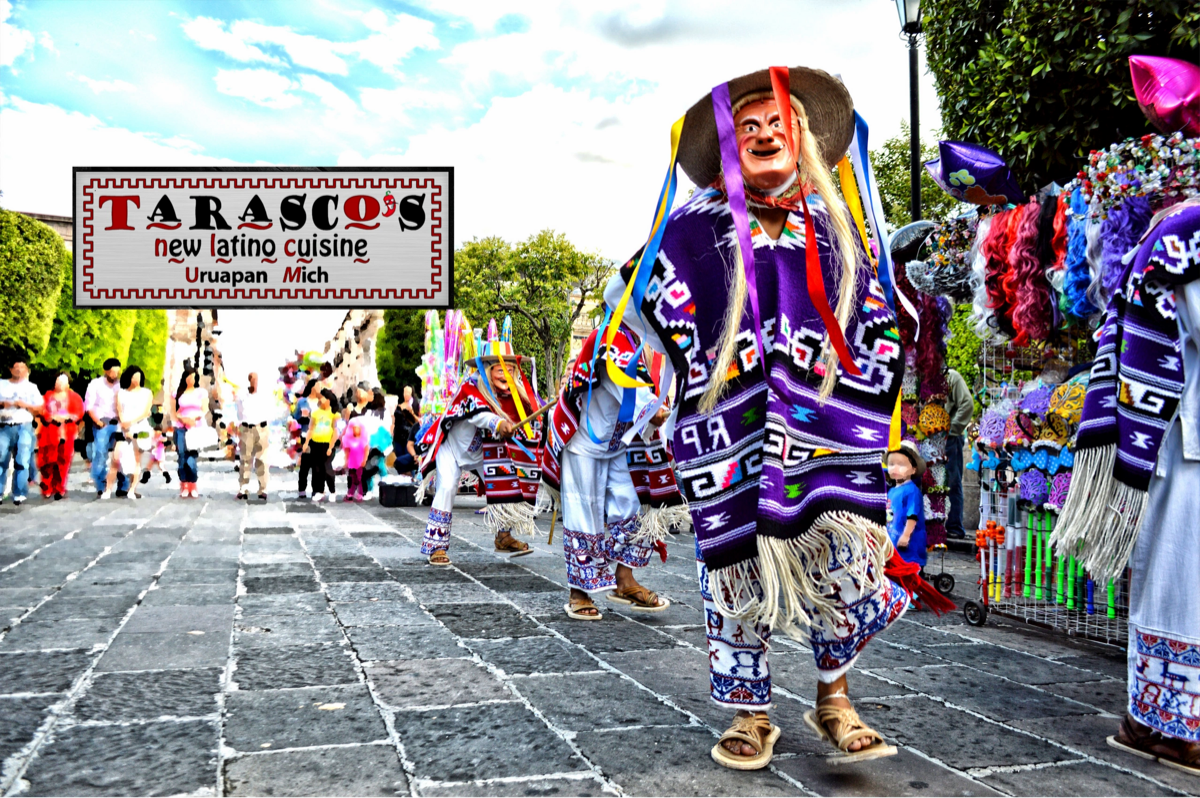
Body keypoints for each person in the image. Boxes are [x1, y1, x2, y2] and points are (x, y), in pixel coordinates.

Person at [605, 66, 951, 769]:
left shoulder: (834, 224)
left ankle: (834, 699)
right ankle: (750, 711)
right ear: (732, 152)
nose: (764, 136)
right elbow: (636, 295)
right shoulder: (692, 229)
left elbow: (876, 318)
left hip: (824, 434)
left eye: (778, 126)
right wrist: (678, 355)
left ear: (804, 141)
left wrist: (847, 374)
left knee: (841, 557)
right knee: (735, 570)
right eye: (749, 129)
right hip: (729, 432)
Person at [1051, 202, 1200, 775]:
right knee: (1177, 579)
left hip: (1177, 436)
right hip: (1179, 437)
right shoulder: (1186, 231)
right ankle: (1163, 722)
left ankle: (1159, 718)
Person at [539, 326, 678, 620]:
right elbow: (622, 382)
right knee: (584, 510)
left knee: (634, 504)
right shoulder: (608, 337)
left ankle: (624, 580)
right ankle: (579, 593)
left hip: (617, 443)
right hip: (583, 443)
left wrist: (657, 409)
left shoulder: (640, 341)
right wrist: (652, 408)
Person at [416, 330, 541, 565]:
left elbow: (535, 410)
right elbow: (479, 415)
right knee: (447, 487)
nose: (506, 374)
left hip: (484, 452)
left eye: (511, 369)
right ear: (486, 369)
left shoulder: (514, 394)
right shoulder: (470, 388)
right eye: (500, 368)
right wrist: (499, 423)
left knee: (507, 480)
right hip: (452, 450)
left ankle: (503, 536)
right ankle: (436, 546)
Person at [0, 358, 44, 505]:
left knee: (22, 460)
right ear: (10, 369)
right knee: (1, 460)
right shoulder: (2, 384)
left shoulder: (31, 387)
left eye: (22, 367)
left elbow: (40, 409)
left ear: (26, 370)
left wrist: (24, 405)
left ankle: (19, 492)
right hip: (4, 425)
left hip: (24, 425)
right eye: (16, 367)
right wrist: (3, 404)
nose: (19, 370)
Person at [84, 358, 130, 498]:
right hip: (102, 423)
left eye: (117, 371)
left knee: (122, 455)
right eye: (112, 371)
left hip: (118, 423)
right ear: (105, 371)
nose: (115, 374)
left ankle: (124, 486)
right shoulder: (95, 384)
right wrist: (97, 421)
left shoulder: (122, 385)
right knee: (100, 454)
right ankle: (102, 485)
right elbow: (89, 405)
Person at [37, 372, 84, 500]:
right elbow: (41, 411)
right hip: (49, 431)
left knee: (63, 460)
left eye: (64, 381)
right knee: (47, 461)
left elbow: (79, 412)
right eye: (59, 381)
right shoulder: (47, 396)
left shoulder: (74, 397)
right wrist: (51, 417)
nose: (61, 384)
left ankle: (60, 487)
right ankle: (46, 487)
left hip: (67, 431)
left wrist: (68, 417)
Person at [886, 441, 928, 572]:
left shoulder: (912, 491)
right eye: (892, 464)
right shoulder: (892, 491)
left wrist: (906, 535)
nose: (895, 468)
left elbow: (912, 516)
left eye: (901, 464)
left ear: (913, 469)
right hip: (893, 543)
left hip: (909, 547)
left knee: (909, 575)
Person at [944, 367, 972, 539]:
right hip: (928, 438)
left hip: (949, 438)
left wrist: (952, 429)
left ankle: (954, 526)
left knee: (952, 481)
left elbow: (967, 404)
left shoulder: (951, 376)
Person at [235, 372, 273, 500]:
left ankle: (263, 488)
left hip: (261, 428)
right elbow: (239, 411)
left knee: (262, 459)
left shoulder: (264, 395)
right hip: (247, 428)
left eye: (256, 380)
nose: (254, 382)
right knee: (245, 459)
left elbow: (269, 411)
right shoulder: (242, 396)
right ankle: (243, 487)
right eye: (252, 379)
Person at [171, 368, 208, 498]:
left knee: (191, 457)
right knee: (182, 456)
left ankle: (193, 483)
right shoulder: (178, 393)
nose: (191, 379)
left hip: (195, 427)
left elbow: (204, 409)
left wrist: (194, 419)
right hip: (181, 427)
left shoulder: (201, 392)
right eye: (189, 377)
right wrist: (183, 419)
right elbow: (174, 412)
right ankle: (184, 484)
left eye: (194, 377)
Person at [300, 388, 339, 502]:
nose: (320, 400)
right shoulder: (315, 413)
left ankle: (332, 491)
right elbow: (311, 429)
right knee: (317, 468)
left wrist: (331, 446)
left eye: (322, 398)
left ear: (328, 400)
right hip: (315, 443)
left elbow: (336, 431)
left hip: (327, 444)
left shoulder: (334, 413)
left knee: (327, 467)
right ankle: (319, 490)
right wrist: (306, 443)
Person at [341, 418, 370, 502]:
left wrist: (364, 460)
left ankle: (360, 493)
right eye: (354, 428)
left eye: (357, 428)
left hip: (360, 462)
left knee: (359, 478)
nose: (355, 430)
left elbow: (366, 450)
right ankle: (351, 493)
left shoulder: (364, 439)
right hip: (351, 462)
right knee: (352, 478)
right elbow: (347, 451)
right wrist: (346, 461)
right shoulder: (348, 440)